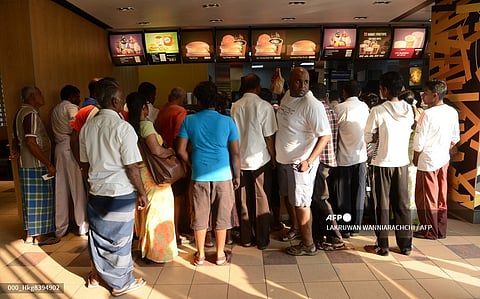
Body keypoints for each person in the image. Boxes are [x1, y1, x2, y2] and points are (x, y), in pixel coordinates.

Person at [79, 77, 147, 296]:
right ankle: (120, 283)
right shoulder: (122, 128)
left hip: (96, 190)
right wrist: (142, 192)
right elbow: (132, 167)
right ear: (116, 101)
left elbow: (84, 162)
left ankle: (97, 276)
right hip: (119, 192)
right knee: (120, 240)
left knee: (98, 237)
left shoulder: (87, 128)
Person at [176, 81, 240, 266]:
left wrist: (191, 162)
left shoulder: (189, 120)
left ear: (198, 100)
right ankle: (220, 255)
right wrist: (237, 174)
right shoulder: (227, 121)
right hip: (224, 175)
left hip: (199, 175)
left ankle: (201, 254)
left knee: (200, 214)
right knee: (222, 214)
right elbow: (235, 152)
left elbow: (180, 150)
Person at [276, 67, 331, 256]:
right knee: (294, 201)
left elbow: (325, 136)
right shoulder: (287, 97)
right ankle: (299, 232)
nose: (303, 86)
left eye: (306, 82)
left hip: (301, 164)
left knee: (302, 203)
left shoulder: (312, 104)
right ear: (289, 83)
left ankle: (308, 245)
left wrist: (309, 160)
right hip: (286, 161)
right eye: (299, 81)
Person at [364, 71, 414, 256]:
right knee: (402, 204)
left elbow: (367, 137)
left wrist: (377, 136)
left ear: (384, 90)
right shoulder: (410, 110)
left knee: (381, 205)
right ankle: (405, 245)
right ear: (400, 89)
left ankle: (383, 245)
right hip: (402, 163)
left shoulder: (377, 111)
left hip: (381, 163)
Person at [126, 92, 178, 263]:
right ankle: (158, 252)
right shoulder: (145, 125)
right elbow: (156, 150)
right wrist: (169, 151)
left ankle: (145, 248)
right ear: (144, 108)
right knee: (159, 213)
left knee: (146, 212)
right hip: (154, 176)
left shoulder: (128, 126)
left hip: (140, 174)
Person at [231, 73, 278, 250]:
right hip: (260, 160)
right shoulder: (264, 106)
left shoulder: (235, 106)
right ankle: (262, 240)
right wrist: (273, 158)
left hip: (240, 160)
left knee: (243, 200)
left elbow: (233, 136)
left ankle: (246, 238)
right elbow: (269, 138)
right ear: (258, 87)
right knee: (262, 199)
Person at [413, 79, 460, 240]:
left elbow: (419, 140)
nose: (423, 96)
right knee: (441, 195)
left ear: (434, 95)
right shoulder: (452, 112)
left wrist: (415, 157)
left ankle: (429, 230)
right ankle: (440, 229)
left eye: (425, 93)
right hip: (443, 159)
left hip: (428, 160)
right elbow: (455, 137)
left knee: (426, 197)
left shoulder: (427, 114)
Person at [15, 86, 60, 246]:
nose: (43, 96)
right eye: (40, 94)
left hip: (26, 164)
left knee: (30, 200)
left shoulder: (20, 112)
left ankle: (29, 235)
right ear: (32, 96)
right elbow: (30, 142)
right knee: (41, 201)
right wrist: (48, 163)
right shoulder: (30, 114)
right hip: (36, 164)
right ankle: (40, 237)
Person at [333, 80, 369, 238]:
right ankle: (356, 226)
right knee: (358, 192)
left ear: (344, 93)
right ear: (359, 93)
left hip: (343, 158)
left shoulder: (339, 108)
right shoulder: (365, 108)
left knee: (344, 194)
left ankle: (344, 227)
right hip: (361, 157)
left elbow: (334, 134)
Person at [310, 83, 344, 250]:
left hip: (320, 160)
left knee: (320, 199)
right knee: (317, 199)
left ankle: (335, 237)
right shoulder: (331, 110)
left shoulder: (318, 110)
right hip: (329, 159)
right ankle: (318, 235)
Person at [51, 84, 88, 237]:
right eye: (77, 96)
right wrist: (80, 161)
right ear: (71, 96)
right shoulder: (72, 108)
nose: (79, 99)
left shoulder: (55, 109)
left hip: (58, 149)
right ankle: (82, 225)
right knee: (77, 188)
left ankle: (60, 228)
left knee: (61, 189)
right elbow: (75, 131)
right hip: (70, 148)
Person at [155, 87, 191, 245]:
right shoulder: (180, 111)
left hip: (162, 161)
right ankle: (176, 232)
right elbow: (179, 138)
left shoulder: (162, 109)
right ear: (182, 99)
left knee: (169, 198)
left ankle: (172, 230)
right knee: (178, 198)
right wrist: (184, 163)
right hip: (174, 161)